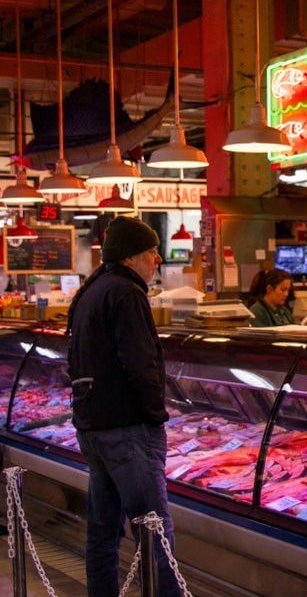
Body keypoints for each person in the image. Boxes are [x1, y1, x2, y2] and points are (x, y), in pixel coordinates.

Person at [66, 216, 180, 597]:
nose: (158, 260)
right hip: (127, 430)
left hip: (94, 428)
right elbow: (140, 363)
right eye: (152, 252)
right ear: (132, 257)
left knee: (103, 530)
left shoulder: (93, 289)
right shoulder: (127, 293)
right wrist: (156, 416)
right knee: (154, 530)